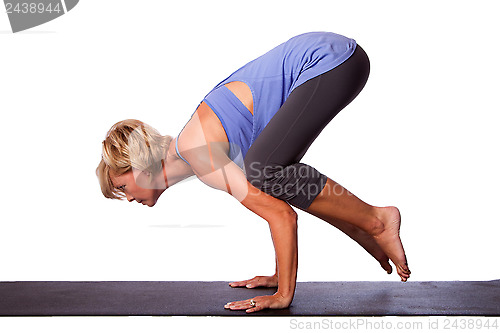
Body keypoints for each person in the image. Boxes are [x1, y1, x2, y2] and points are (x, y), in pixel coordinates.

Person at [96, 32, 411, 313]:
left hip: (331, 61)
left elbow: (282, 217)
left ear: (139, 166)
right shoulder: (199, 151)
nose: (126, 198)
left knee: (264, 172)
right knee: (267, 174)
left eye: (121, 186)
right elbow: (282, 198)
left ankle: (378, 220)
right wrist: (280, 273)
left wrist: (283, 294)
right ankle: (366, 227)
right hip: (338, 62)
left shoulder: (199, 153)